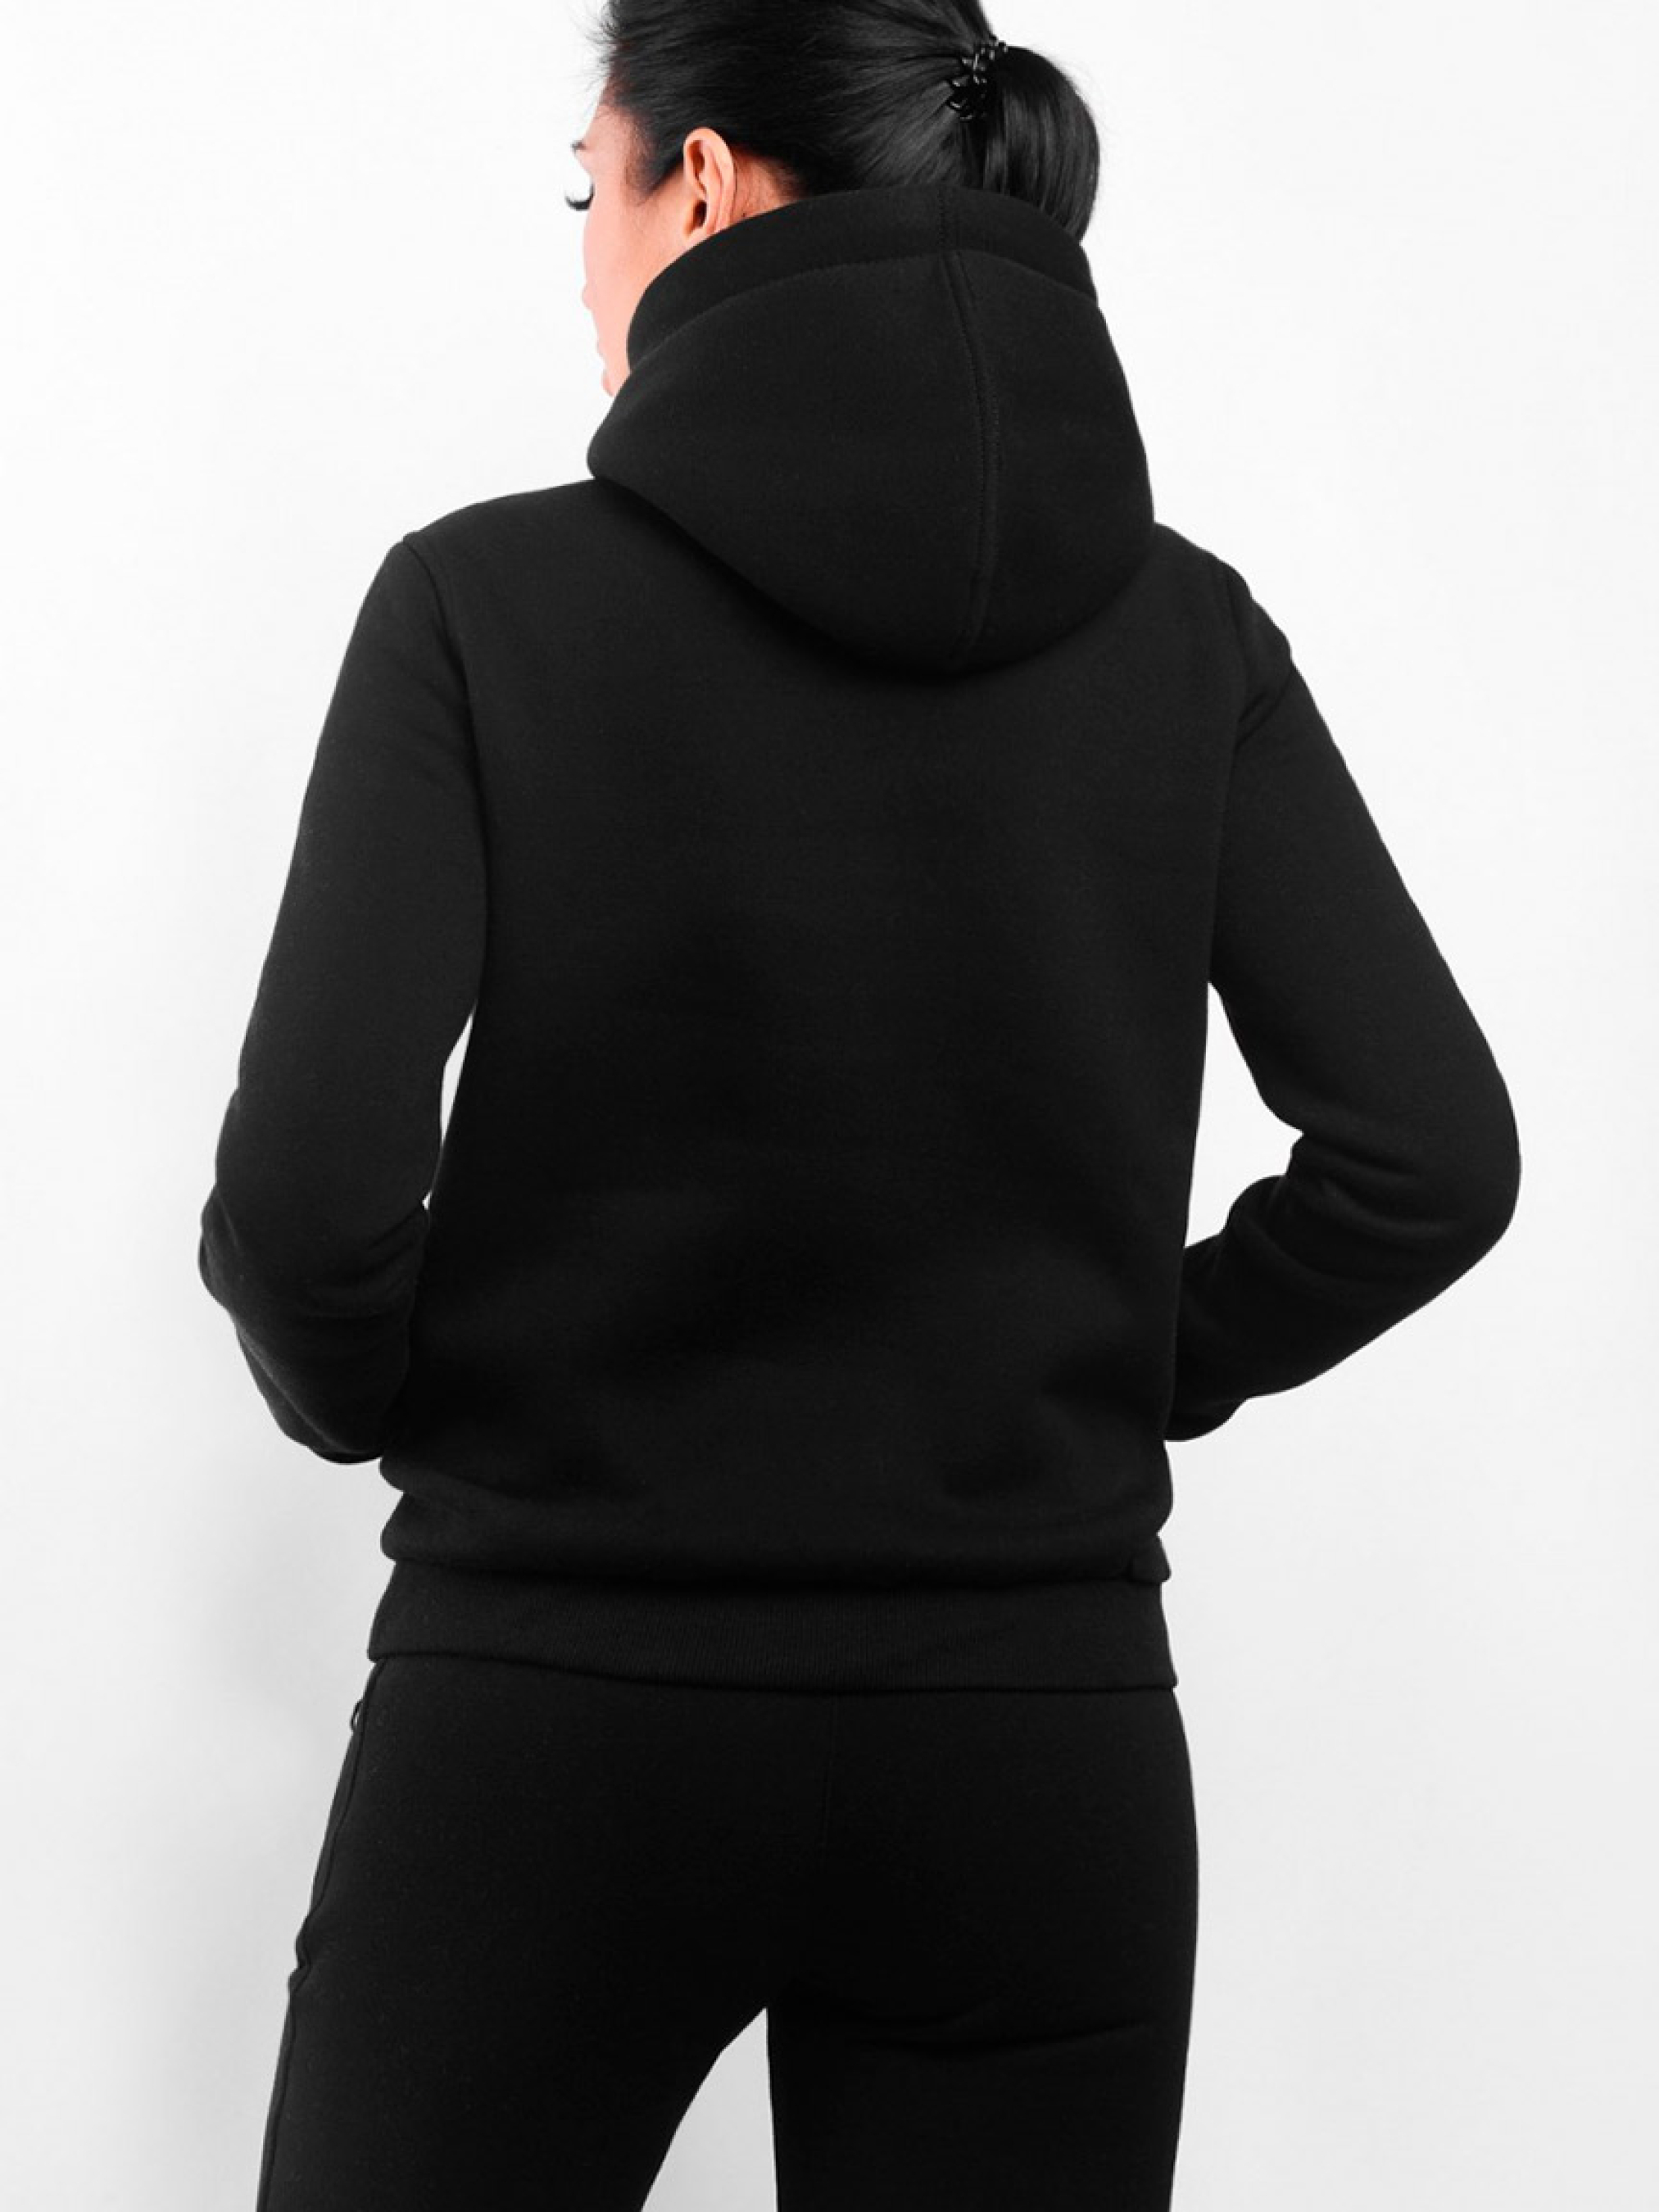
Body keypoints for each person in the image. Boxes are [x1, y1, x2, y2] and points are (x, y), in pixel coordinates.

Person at [197, 5, 1521, 2207]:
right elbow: (1432, 1154)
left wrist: (407, 1406)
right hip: (1034, 1749)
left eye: (590, 189)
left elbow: (307, 1202)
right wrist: (1128, 1364)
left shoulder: (480, 603)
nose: (582, 253)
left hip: (553, 1711)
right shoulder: (1188, 636)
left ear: (702, 181)